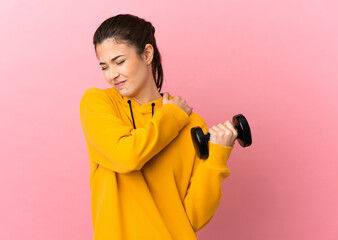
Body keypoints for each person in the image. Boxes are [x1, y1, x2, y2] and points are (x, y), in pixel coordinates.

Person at [79, 13, 238, 240]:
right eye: (104, 67)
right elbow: (127, 156)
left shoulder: (191, 123)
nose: (112, 75)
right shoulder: (99, 103)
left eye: (119, 62)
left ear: (146, 54)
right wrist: (171, 115)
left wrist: (217, 157)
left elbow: (194, 218)